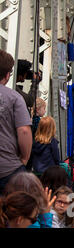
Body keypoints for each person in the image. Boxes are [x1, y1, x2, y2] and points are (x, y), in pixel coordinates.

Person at [0, 50, 33, 194]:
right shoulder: (14, 97)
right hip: (7, 168)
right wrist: (25, 158)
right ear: (7, 75)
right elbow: (24, 131)